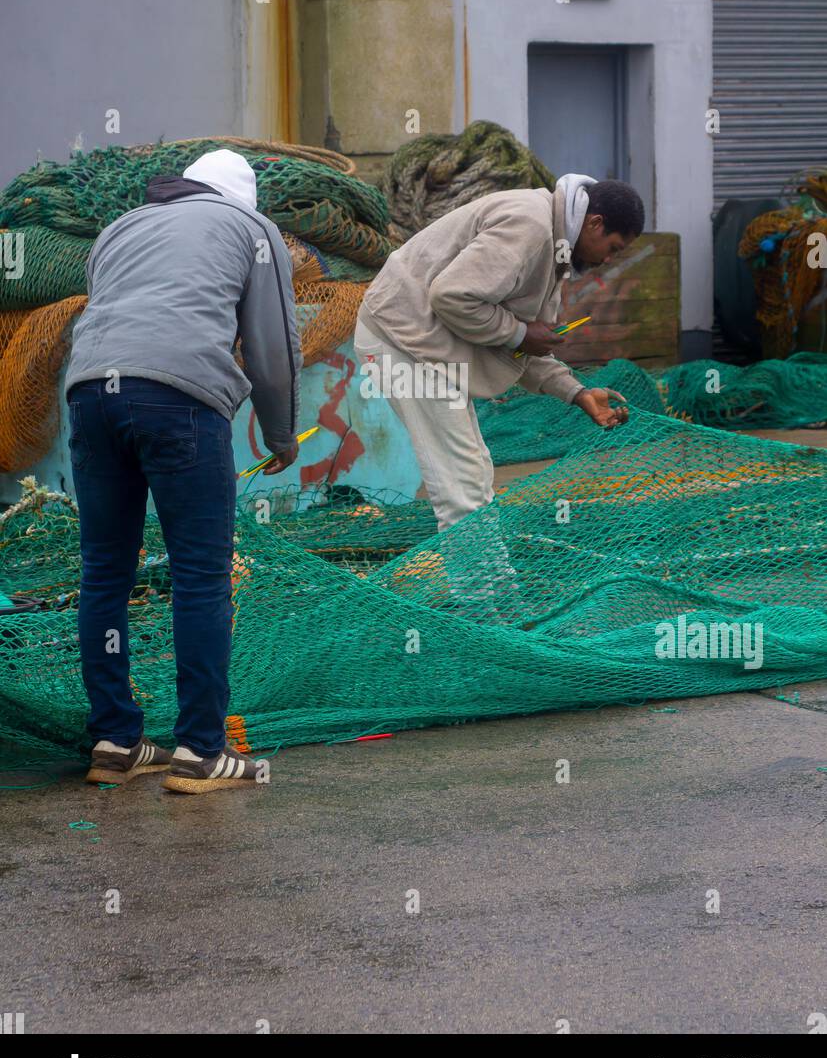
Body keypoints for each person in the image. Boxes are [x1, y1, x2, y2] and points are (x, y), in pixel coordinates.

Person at [65, 149, 301, 793]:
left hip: (90, 395)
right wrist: (280, 432)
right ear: (240, 200)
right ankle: (200, 750)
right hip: (179, 399)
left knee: (104, 572)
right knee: (200, 573)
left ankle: (114, 741)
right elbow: (272, 343)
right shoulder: (251, 230)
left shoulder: (121, 226)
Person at [355, 174, 644, 531]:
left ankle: (490, 584)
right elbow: (452, 296)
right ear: (595, 223)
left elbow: (524, 347)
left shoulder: (557, 246)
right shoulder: (531, 226)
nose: (608, 260)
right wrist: (520, 334)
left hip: (424, 341)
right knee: (461, 489)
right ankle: (485, 588)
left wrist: (576, 392)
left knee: (474, 473)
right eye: (613, 248)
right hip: (397, 336)